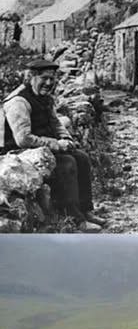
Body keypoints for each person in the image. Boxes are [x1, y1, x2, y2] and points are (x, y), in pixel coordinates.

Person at [2, 58, 104, 232]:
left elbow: (55, 122)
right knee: (66, 163)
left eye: (52, 78)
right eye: (44, 78)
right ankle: (75, 218)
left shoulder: (44, 97)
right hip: (19, 153)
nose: (49, 83)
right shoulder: (19, 102)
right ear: (31, 77)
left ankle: (86, 210)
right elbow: (23, 139)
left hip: (42, 148)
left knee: (82, 157)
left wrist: (67, 139)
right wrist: (57, 144)